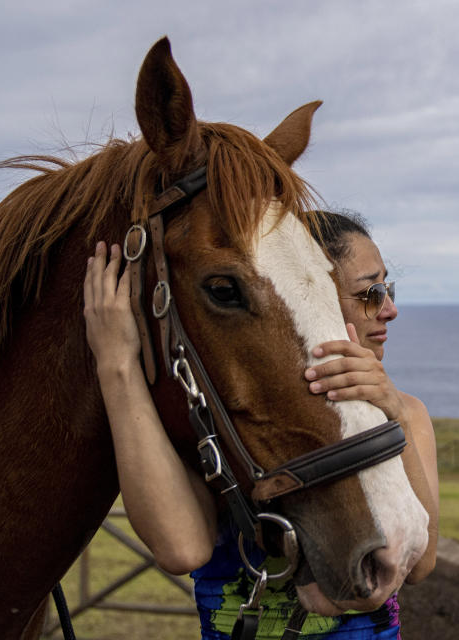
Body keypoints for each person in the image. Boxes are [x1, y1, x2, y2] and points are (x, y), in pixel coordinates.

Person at [82, 209, 439, 639]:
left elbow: (420, 564)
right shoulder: (225, 429)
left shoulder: (408, 412)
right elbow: (180, 549)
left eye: (387, 289)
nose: (390, 309)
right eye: (371, 292)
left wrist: (393, 414)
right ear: (310, 296)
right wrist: (116, 363)